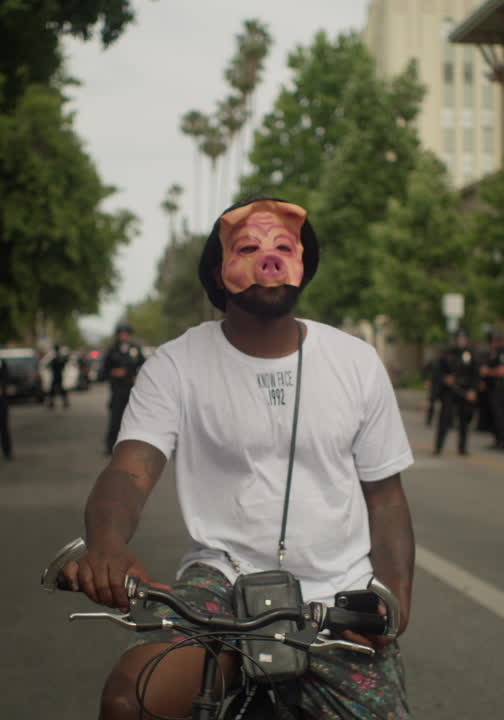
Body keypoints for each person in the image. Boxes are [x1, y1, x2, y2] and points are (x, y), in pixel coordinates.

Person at [63, 197, 414, 719]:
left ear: (302, 264)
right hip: (219, 586)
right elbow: (130, 471)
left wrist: (394, 603)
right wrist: (107, 546)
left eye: (283, 247)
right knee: (128, 702)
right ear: (217, 271)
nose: (267, 258)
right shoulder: (175, 365)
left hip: (339, 598)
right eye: (247, 248)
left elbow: (386, 501)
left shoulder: (356, 362)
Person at [100, 323, 144, 454]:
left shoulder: (135, 349)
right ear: (118, 335)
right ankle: (110, 446)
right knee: (115, 419)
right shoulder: (112, 350)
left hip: (132, 390)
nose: (124, 336)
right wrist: (113, 372)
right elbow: (103, 372)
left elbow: (145, 365)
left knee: (133, 419)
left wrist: (138, 376)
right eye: (122, 333)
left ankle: (130, 447)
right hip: (117, 390)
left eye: (126, 333)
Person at [435, 329, 478, 456]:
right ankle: (438, 447)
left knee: (464, 420)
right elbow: (438, 372)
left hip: (465, 391)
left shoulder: (471, 355)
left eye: (463, 338)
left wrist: (473, 390)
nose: (461, 341)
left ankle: (462, 448)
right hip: (450, 391)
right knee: (445, 419)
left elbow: (476, 374)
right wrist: (444, 379)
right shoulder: (448, 354)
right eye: (459, 338)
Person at [480, 336, 504, 451]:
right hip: (491, 388)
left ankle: (503, 442)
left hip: (499, 388)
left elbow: (503, 371)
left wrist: (488, 372)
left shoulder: (502, 352)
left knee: (500, 416)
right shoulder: (491, 353)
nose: (492, 343)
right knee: (493, 416)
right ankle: (497, 440)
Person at [46, 344, 70, 410]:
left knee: (54, 390)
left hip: (56, 375)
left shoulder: (55, 358)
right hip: (58, 375)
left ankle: (53, 403)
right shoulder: (59, 357)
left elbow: (48, 365)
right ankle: (63, 402)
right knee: (58, 390)